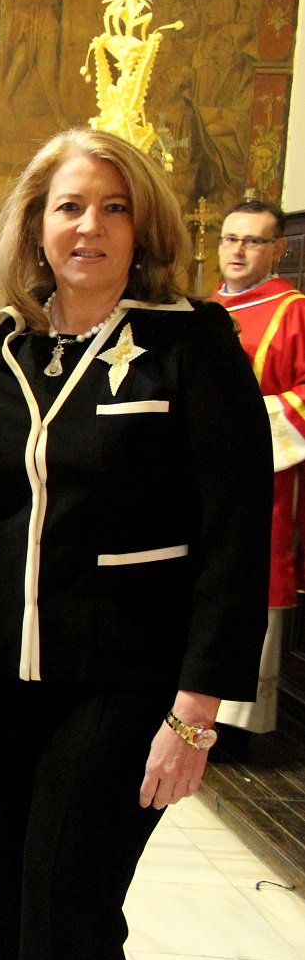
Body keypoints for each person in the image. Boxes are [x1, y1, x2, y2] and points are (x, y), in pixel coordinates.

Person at [0, 127, 271, 960]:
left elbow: (236, 531)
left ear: (143, 229)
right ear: (34, 227)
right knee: (19, 908)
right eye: (68, 207)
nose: (88, 226)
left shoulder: (190, 344)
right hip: (3, 676)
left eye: (112, 207)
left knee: (67, 905)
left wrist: (195, 714)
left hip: (129, 680)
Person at [210, 198, 304, 746]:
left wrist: (247, 430)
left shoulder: (293, 311)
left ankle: (237, 727)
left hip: (261, 482)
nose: (238, 251)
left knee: (248, 576)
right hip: (199, 481)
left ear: (277, 250)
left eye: (252, 241)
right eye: (230, 239)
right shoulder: (200, 309)